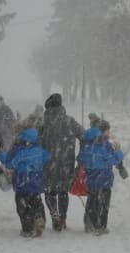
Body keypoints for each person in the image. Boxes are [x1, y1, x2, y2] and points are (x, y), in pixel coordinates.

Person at [40, 93, 84, 231]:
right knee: (63, 191)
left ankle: (54, 213)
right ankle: (63, 218)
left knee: (49, 191)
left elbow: (32, 139)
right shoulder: (69, 121)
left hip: (47, 162)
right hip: (66, 162)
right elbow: (84, 136)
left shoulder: (42, 121)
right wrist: (81, 156)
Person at [0, 128, 50, 237]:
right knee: (37, 202)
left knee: (22, 206)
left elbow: (10, 164)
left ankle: (27, 229)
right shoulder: (39, 149)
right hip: (36, 180)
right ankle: (39, 217)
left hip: (22, 181)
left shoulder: (19, 150)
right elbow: (47, 157)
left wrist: (2, 155)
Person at [77, 127, 124, 235]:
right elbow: (114, 160)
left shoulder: (87, 149)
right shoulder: (104, 148)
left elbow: (80, 159)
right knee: (103, 204)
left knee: (92, 202)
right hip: (104, 181)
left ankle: (89, 223)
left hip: (92, 181)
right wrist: (118, 151)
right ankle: (101, 226)